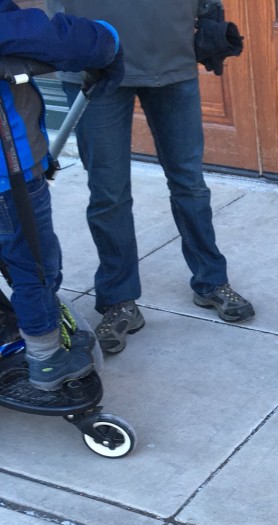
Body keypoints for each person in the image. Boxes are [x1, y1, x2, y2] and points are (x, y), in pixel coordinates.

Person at [49, 0, 251, 355]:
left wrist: (209, 15)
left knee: (189, 183)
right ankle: (118, 299)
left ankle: (211, 282)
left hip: (172, 57)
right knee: (108, 193)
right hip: (92, 62)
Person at [0, 1, 122, 390]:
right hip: (9, 178)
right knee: (34, 265)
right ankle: (47, 358)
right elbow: (56, 39)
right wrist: (109, 37)